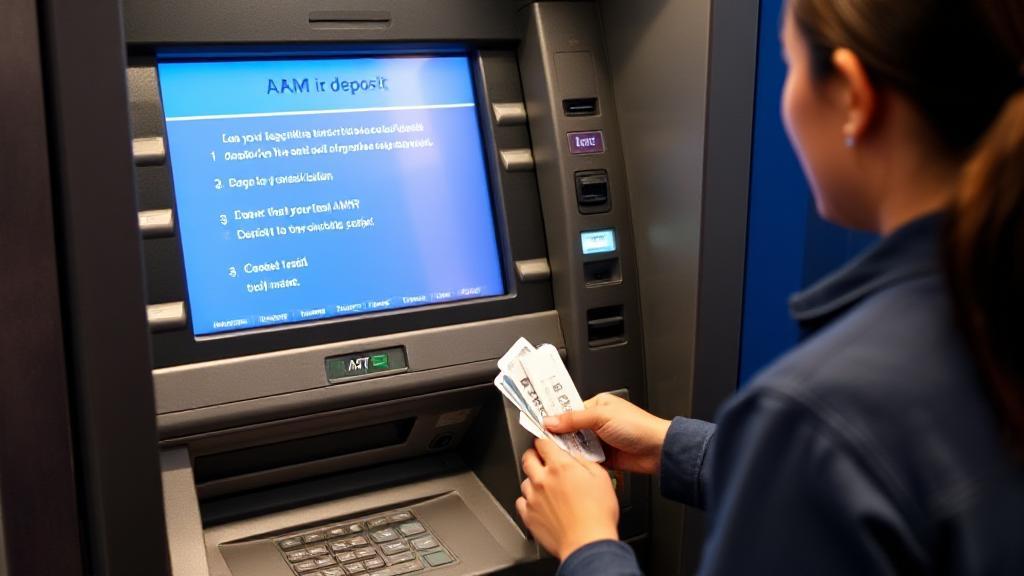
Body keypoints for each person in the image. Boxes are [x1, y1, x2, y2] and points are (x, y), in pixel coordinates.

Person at [515, 0, 1024, 573]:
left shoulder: (819, 411)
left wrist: (586, 542)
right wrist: (674, 446)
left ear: (853, 95)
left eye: (790, 65)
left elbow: (844, 457)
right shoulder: (985, 310)